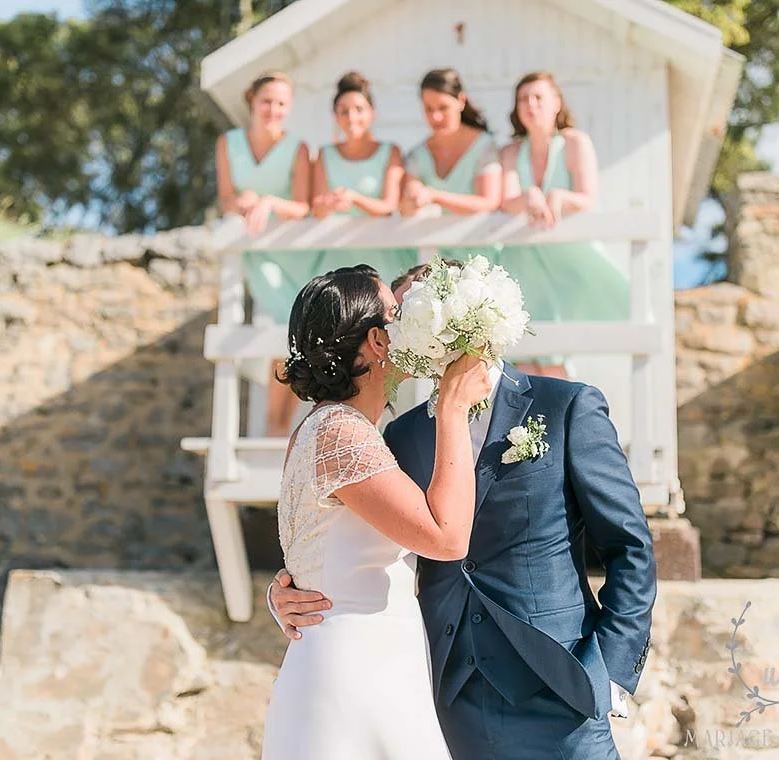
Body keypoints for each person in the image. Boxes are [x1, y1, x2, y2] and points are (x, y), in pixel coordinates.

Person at [269, 270, 657, 760]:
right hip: (445, 695)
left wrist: (611, 674)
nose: (406, 330)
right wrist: (286, 591)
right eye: (399, 317)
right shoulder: (395, 436)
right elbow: (354, 535)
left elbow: (630, 548)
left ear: (463, 316)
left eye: (414, 315)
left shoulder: (566, 407)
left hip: (559, 688)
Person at [260, 264, 492, 759]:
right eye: (395, 314)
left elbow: (321, 549)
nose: (406, 321)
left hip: (365, 655)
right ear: (376, 341)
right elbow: (447, 538)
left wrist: (278, 593)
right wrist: (452, 407)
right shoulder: (339, 433)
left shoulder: (330, 428)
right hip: (356, 667)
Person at [498, 71, 631, 378]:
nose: (531, 105)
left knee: (554, 354)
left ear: (556, 103)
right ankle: (524, 426)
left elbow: (587, 197)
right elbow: (505, 200)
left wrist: (559, 195)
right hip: (524, 258)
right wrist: (529, 195)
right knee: (525, 352)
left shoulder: (574, 142)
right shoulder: (509, 152)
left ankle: (563, 422)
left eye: (538, 97)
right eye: (523, 99)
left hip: (566, 256)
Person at [215, 71, 314, 437]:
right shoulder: (228, 143)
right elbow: (225, 197)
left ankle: (280, 429)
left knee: (296, 341)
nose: (274, 109)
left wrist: (270, 201)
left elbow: (303, 205)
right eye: (267, 101)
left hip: (297, 258)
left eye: (281, 103)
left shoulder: (298, 147)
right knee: (280, 334)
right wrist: (240, 200)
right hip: (260, 258)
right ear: (252, 102)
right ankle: (274, 428)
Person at [311, 71, 416, 284]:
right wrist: (330, 203)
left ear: (372, 113)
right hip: (337, 257)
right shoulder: (325, 154)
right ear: (336, 116)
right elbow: (317, 208)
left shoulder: (391, 152)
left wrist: (354, 198)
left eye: (359, 110)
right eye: (344, 111)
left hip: (381, 257)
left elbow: (389, 205)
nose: (352, 118)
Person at [401, 68, 502, 262]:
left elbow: (489, 202)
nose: (436, 117)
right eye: (428, 109)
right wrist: (412, 198)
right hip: (433, 262)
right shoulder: (417, 155)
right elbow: (406, 207)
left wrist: (434, 195)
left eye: (443, 108)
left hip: (479, 260)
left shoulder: (484, 147)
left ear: (461, 101)